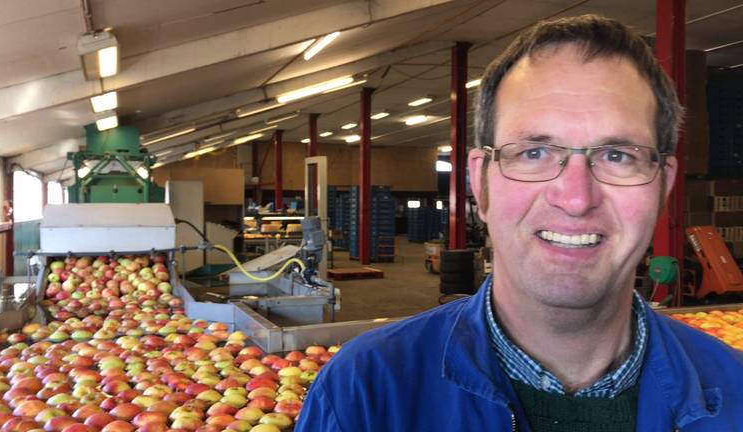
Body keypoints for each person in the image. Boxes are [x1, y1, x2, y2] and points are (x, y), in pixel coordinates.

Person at [295, 14, 743, 431]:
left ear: (663, 186)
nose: (575, 198)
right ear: (479, 182)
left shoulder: (735, 392)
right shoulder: (364, 395)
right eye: (534, 152)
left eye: (617, 155)